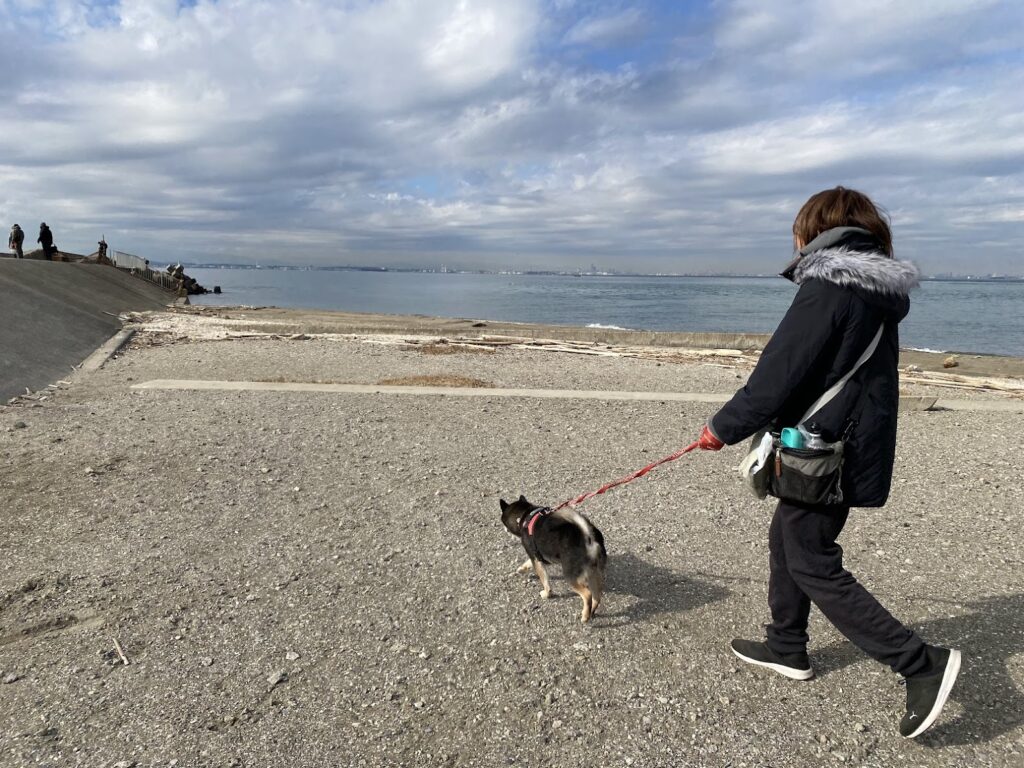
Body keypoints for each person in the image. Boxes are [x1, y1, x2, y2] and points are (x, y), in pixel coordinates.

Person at [694, 186, 960, 739]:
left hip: (824, 450)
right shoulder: (873, 290)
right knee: (787, 539)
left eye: (797, 230)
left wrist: (722, 427)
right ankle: (786, 645)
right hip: (852, 442)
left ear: (814, 231)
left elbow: (780, 371)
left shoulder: (830, 286)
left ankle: (920, 663)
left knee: (813, 560)